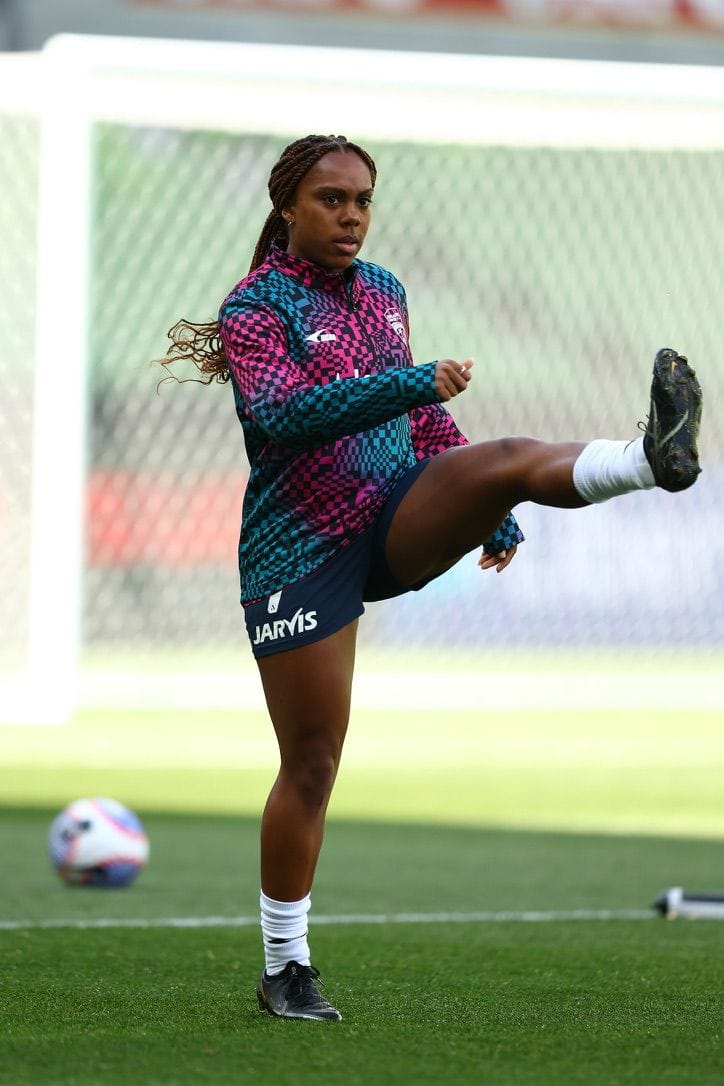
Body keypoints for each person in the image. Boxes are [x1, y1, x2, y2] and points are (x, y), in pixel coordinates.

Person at [158, 134, 702, 1023]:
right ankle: (285, 968)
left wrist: (481, 502)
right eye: (332, 200)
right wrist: (413, 386)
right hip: (298, 549)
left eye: (364, 200)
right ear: (288, 206)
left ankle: (648, 458)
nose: (352, 216)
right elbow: (283, 416)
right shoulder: (257, 308)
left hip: (392, 513)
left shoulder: (384, 293)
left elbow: (423, 427)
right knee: (312, 764)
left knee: (508, 459)